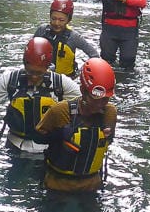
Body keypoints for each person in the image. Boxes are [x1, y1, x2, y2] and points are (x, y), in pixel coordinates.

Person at [0, 37, 81, 160]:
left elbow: (86, 101)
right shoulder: (11, 80)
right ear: (24, 64)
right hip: (15, 147)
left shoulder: (60, 83)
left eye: (39, 73)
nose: (34, 77)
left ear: (48, 67)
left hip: (48, 149)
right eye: (30, 71)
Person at [35, 58, 117, 192]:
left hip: (91, 187)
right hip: (58, 186)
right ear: (83, 91)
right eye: (95, 99)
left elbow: (107, 143)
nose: (100, 105)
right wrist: (59, 135)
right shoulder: (60, 110)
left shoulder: (110, 113)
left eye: (105, 100)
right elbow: (37, 137)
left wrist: (106, 136)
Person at [33, 0, 98, 79]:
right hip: (42, 77)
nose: (56, 23)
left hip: (66, 80)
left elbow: (95, 56)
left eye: (61, 20)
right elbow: (30, 53)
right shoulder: (41, 31)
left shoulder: (74, 37)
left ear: (69, 20)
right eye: (53, 18)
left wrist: (81, 73)